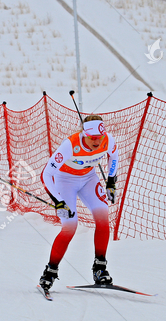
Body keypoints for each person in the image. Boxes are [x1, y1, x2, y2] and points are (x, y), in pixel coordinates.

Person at [39, 115, 119, 292]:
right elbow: (46, 174)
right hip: (65, 181)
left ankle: (100, 269)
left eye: (99, 137)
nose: (97, 142)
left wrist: (111, 182)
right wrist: (58, 201)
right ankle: (50, 272)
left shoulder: (108, 139)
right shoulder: (70, 145)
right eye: (92, 138)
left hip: (88, 179)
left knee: (103, 218)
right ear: (84, 134)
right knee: (70, 226)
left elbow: (114, 156)